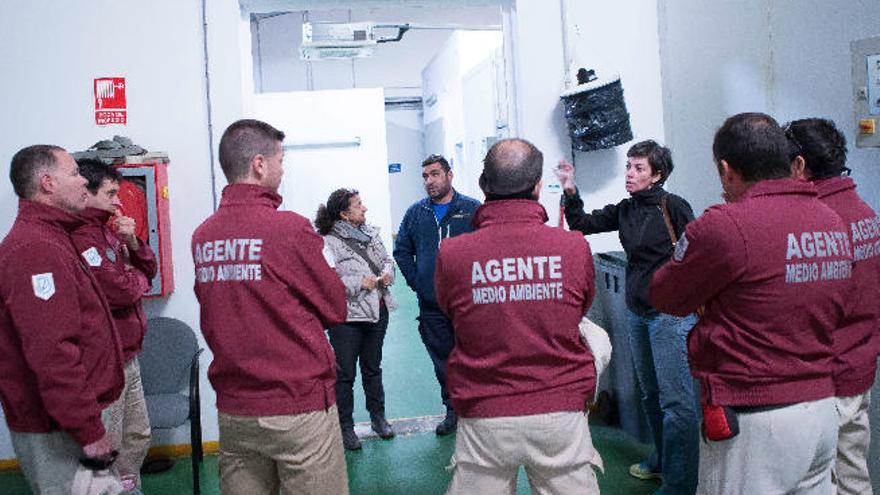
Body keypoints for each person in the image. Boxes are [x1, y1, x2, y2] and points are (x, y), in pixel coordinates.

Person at [650, 112, 853, 494]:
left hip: (755, 418)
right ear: (792, 162)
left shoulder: (725, 225)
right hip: (822, 410)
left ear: (726, 170)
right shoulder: (830, 220)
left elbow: (665, 295)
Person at [435, 138, 602, 494]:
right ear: (538, 187)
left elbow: (451, 311)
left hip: (485, 412)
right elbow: (578, 310)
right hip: (560, 411)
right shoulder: (572, 247)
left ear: (483, 186)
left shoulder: (453, 253)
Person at [192, 119, 349, 495]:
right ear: (260, 164)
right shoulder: (289, 229)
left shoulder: (204, 235)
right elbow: (334, 306)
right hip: (297, 405)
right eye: (280, 160)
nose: (282, 169)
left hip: (235, 410)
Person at [555, 140, 699, 494]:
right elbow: (581, 225)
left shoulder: (674, 208)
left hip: (672, 316)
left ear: (658, 175)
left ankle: (681, 484)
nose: (630, 175)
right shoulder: (626, 209)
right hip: (639, 313)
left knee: (677, 403)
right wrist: (570, 188)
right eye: (629, 167)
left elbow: (697, 254)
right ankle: (662, 461)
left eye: (638, 169)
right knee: (651, 395)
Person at [0, 145, 124, 493]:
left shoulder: (53, 238)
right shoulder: (35, 249)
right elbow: (53, 354)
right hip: (58, 430)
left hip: (66, 422)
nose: (84, 180)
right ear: (47, 183)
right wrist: (88, 430)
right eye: (74, 173)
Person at [786, 117, 880, 495]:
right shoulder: (862, 211)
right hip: (859, 365)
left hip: (826, 375)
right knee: (854, 474)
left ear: (799, 165)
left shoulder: (818, 222)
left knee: (818, 481)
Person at [71, 158, 156, 493]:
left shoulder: (110, 230)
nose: (117, 201)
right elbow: (120, 292)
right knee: (110, 440)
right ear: (86, 191)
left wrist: (133, 243)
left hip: (129, 354)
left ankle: (128, 486)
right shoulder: (80, 237)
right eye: (110, 193)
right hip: (104, 360)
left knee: (138, 434)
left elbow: (145, 271)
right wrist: (135, 280)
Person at [393, 154, 480, 435]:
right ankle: (453, 410)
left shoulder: (471, 210)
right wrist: (417, 281)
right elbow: (402, 250)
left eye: (434, 174)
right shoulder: (416, 213)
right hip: (432, 305)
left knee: (474, 356)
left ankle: (477, 409)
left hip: (468, 303)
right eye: (425, 176)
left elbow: (485, 248)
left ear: (449, 175)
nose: (429, 181)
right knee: (444, 361)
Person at [315, 188, 398, 451]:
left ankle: (378, 419)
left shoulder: (372, 233)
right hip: (347, 318)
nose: (364, 208)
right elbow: (327, 280)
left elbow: (388, 260)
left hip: (377, 311)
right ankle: (345, 428)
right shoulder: (327, 242)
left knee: (373, 369)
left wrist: (387, 273)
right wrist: (357, 283)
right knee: (344, 374)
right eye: (358, 205)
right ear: (344, 214)